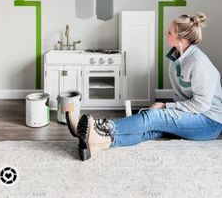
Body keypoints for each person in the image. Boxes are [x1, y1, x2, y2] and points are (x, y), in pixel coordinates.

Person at [66, 13, 222, 161]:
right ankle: (98, 143)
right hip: (192, 116)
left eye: (169, 32)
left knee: (154, 117)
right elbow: (182, 97)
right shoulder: (175, 60)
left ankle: (100, 127)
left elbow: (201, 105)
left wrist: (166, 106)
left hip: (209, 122)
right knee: (150, 129)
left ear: (181, 37)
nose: (165, 34)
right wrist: (167, 108)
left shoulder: (198, 62)